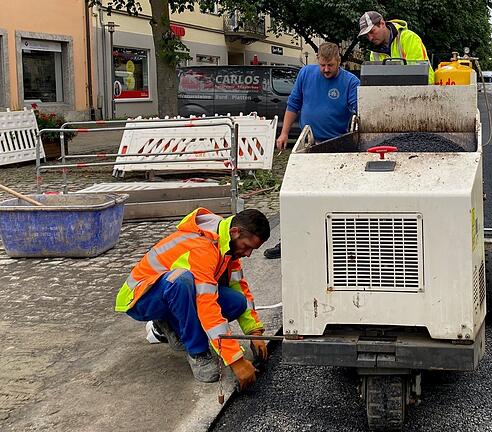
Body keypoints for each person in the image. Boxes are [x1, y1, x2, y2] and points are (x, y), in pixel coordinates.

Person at [115, 208, 271, 388]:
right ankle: (197, 352)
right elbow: (207, 304)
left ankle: (170, 323)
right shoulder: (203, 247)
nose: (248, 253)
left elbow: (239, 287)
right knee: (182, 282)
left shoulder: (227, 244)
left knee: (237, 302)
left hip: (172, 294)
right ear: (235, 232)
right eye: (247, 246)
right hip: (141, 298)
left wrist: (254, 332)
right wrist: (235, 360)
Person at [265, 42, 360, 260]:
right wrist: (283, 133)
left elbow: (358, 113)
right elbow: (294, 104)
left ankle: (341, 242)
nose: (326, 69)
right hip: (308, 143)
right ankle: (288, 240)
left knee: (335, 196)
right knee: (297, 194)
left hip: (336, 146)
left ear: (339, 62)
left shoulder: (350, 82)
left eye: (330, 65)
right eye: (322, 65)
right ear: (317, 61)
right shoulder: (306, 74)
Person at [358, 11, 434, 84]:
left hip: (426, 92)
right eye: (367, 35)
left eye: (372, 31)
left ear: (382, 23)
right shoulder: (374, 54)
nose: (370, 38)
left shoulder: (409, 38)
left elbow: (418, 74)